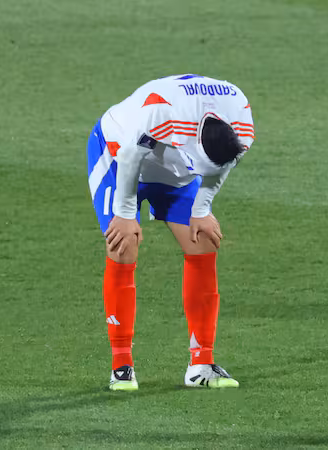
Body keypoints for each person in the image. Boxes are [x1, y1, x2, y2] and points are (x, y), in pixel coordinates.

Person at [87, 74, 255, 390]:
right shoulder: (161, 112)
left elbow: (224, 164)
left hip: (172, 169)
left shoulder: (241, 121)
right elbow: (129, 155)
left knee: (203, 240)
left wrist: (202, 209)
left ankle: (201, 364)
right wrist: (125, 215)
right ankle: (121, 366)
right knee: (124, 244)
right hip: (116, 155)